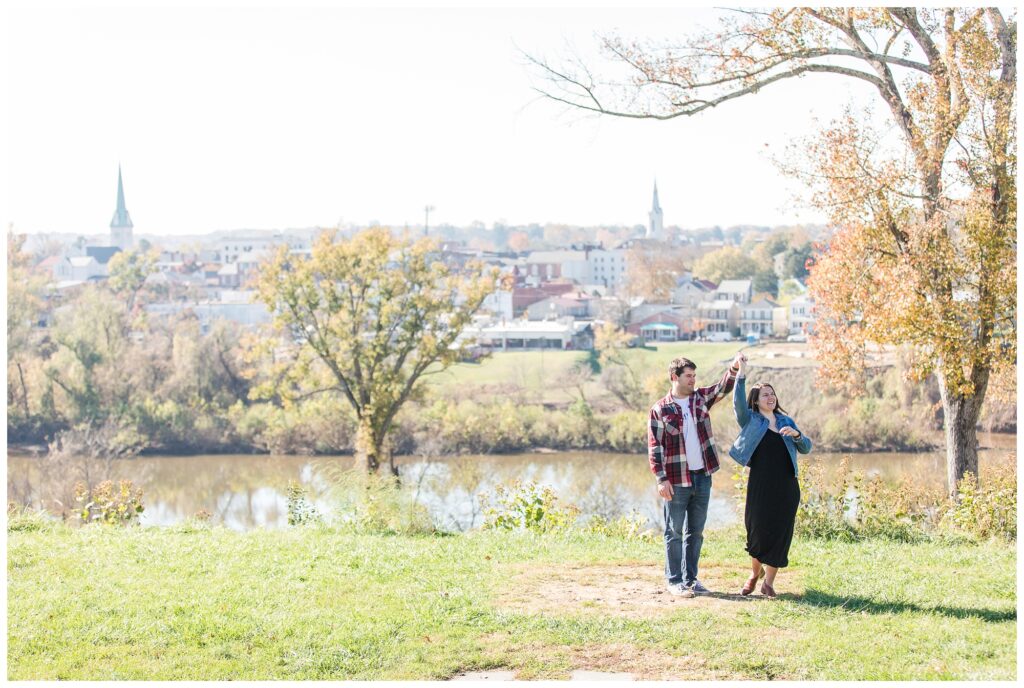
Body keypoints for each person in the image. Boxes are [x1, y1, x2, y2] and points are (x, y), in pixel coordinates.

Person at [648, 353, 745, 597]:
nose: (693, 380)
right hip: (676, 480)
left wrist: (733, 366)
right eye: (688, 376)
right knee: (674, 532)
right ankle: (674, 581)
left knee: (696, 532)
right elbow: (655, 447)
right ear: (675, 377)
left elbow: (723, 388)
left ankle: (691, 580)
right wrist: (661, 479)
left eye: (694, 376)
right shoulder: (660, 409)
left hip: (702, 477)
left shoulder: (700, 399)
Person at [729, 357, 812, 598]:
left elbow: (806, 447)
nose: (770, 397)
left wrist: (797, 435)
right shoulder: (752, 420)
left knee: (780, 533)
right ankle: (754, 574)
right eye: (764, 394)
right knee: (756, 531)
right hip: (761, 486)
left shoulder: (786, 421)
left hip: (787, 486)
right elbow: (737, 405)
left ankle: (769, 583)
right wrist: (741, 373)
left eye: (772, 393)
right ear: (756, 401)